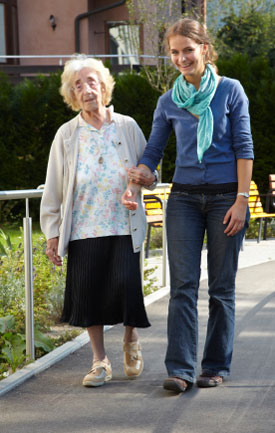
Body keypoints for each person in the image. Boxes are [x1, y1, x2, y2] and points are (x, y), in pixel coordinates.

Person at [122, 18, 254, 393]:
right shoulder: (168, 101)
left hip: (227, 198)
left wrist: (242, 200)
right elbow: (153, 151)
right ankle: (179, 369)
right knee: (182, 285)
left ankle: (214, 366)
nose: (181, 58)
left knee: (222, 288)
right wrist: (141, 175)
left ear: (204, 50)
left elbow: (244, 148)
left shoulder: (230, 91)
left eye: (188, 50)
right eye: (175, 52)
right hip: (182, 199)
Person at [40, 55, 156, 388]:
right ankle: (99, 361)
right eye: (78, 85)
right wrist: (52, 234)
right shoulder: (66, 135)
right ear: (72, 96)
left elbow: (151, 171)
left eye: (92, 81)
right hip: (83, 227)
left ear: (104, 86)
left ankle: (130, 338)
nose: (87, 89)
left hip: (123, 222)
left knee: (126, 287)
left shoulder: (127, 126)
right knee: (89, 294)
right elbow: (54, 188)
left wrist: (145, 178)